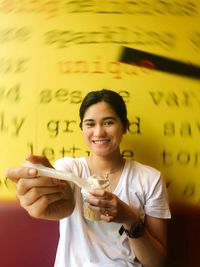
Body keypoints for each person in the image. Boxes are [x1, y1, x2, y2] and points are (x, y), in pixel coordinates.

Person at [7, 89, 171, 267]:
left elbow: (157, 262)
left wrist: (129, 219)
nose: (99, 132)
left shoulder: (150, 179)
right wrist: (40, 190)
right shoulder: (69, 168)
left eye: (108, 122)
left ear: (124, 125)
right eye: (90, 124)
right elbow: (62, 195)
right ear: (82, 129)